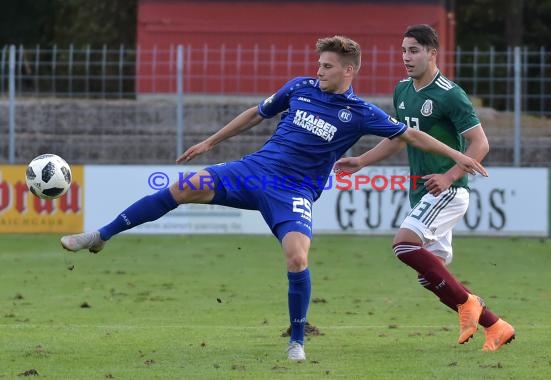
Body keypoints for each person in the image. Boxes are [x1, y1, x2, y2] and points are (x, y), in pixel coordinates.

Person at [60, 35, 487, 361]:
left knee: (297, 259)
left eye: (327, 66)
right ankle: (101, 234)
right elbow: (254, 114)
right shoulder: (299, 88)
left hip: (293, 191)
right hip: (253, 171)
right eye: (318, 64)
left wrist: (459, 158)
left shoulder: (360, 114)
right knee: (179, 187)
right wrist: (210, 142)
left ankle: (297, 341)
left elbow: (411, 135)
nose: (318, 71)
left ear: (348, 71)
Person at [334, 25, 515, 351]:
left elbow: (480, 143)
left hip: (448, 190)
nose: (406, 57)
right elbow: (399, 139)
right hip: (423, 192)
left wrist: (448, 176)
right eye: (404, 50)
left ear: (433, 53)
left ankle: (469, 305)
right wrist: (362, 160)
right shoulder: (403, 90)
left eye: (414, 50)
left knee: (404, 244)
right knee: (429, 274)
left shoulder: (450, 94)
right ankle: (496, 326)